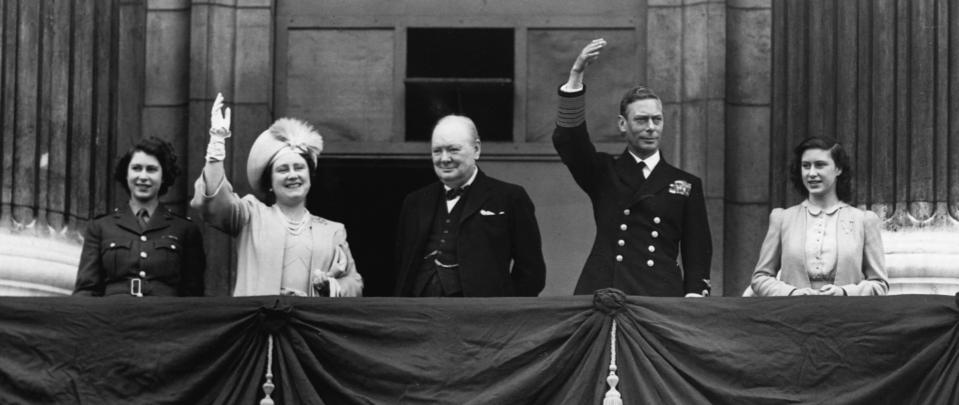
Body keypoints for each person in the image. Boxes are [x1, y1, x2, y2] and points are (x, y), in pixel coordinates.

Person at [553, 39, 712, 297]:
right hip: (607, 291)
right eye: (641, 120)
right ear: (622, 125)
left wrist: (694, 293)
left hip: (660, 296)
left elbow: (697, 248)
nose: (651, 127)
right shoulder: (603, 172)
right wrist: (576, 75)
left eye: (656, 120)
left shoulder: (686, 183)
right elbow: (569, 142)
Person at [190, 93, 362, 297]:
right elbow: (214, 204)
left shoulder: (333, 231)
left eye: (299, 167)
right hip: (259, 325)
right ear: (269, 183)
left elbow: (354, 284)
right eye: (282, 170)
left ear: (309, 175)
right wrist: (216, 145)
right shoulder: (251, 215)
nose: (292, 175)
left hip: (308, 327)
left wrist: (331, 286)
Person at [394, 115, 546, 297]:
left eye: (453, 150)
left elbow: (531, 272)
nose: (444, 159)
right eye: (437, 151)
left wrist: (504, 313)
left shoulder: (510, 197)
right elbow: (402, 265)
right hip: (419, 314)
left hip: (480, 317)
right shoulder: (415, 202)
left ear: (476, 150)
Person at [750, 137, 888, 296]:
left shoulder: (863, 220)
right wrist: (792, 293)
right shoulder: (782, 219)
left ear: (838, 169)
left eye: (820, 165)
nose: (812, 173)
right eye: (806, 166)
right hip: (793, 317)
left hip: (846, 317)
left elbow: (879, 284)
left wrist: (844, 292)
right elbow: (760, 278)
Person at [73, 137, 205, 297]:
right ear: (126, 174)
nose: (143, 176)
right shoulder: (101, 227)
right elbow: (86, 291)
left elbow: (193, 296)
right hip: (114, 318)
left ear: (163, 176)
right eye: (136, 168)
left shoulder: (185, 230)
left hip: (165, 318)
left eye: (151, 169)